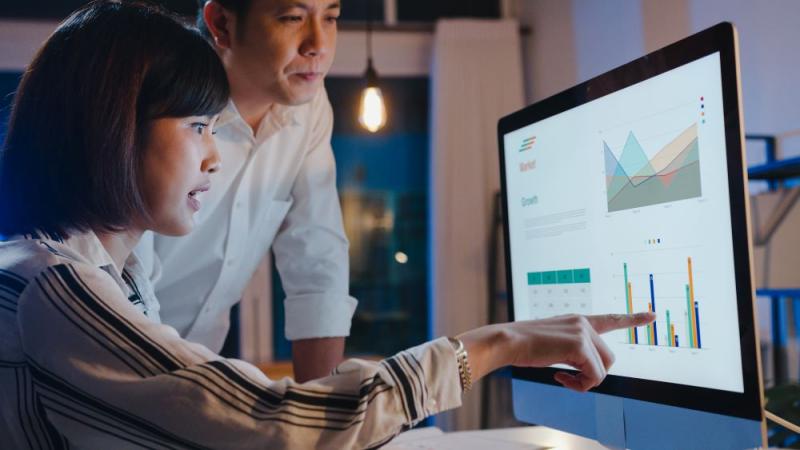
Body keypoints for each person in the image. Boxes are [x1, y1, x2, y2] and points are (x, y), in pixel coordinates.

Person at [0, 2, 655, 448]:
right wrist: (497, 343)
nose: (211, 154)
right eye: (197, 127)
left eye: (333, 14)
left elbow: (317, 262)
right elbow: (263, 423)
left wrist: (333, 413)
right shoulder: (60, 289)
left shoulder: (105, 271)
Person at [133, 0, 353, 382]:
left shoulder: (310, 109)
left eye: (331, 18)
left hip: (195, 374)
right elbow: (127, 283)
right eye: (293, 18)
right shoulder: (162, 100)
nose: (318, 43)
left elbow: (318, 266)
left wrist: (323, 423)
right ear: (222, 23)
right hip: (111, 363)